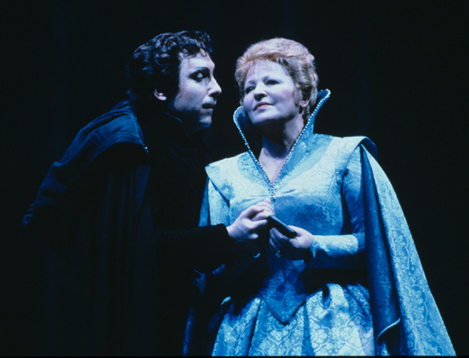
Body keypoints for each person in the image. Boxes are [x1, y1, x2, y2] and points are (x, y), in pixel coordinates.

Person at [196, 38, 455, 355]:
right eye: (249, 88)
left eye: (271, 81)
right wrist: (244, 249)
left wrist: (315, 246)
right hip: (247, 329)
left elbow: (382, 246)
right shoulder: (223, 175)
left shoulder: (344, 156)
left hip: (333, 323)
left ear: (303, 95)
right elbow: (206, 277)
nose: (257, 92)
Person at [22, 31, 272, 356]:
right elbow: (138, 250)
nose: (217, 88)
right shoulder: (128, 146)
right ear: (159, 90)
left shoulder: (195, 152)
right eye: (200, 77)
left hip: (183, 320)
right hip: (137, 325)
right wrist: (228, 236)